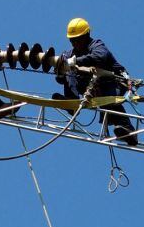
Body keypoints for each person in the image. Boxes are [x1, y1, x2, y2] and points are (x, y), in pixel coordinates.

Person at [54, 17, 138, 146]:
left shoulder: (96, 45)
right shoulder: (69, 54)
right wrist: (60, 71)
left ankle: (127, 131)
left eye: (78, 39)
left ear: (87, 35)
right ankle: (71, 103)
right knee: (69, 72)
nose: (75, 43)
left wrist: (75, 61)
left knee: (108, 99)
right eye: (72, 40)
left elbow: (99, 57)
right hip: (89, 85)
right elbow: (61, 79)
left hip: (112, 83)